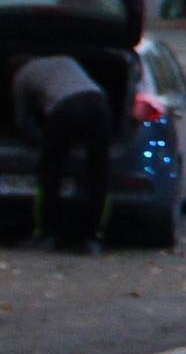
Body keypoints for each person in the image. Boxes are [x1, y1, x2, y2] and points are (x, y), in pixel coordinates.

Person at [12, 53, 113, 253]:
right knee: (98, 172)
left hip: (65, 108)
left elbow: (23, 121)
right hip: (98, 103)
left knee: (50, 173)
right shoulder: (67, 60)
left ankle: (47, 234)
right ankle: (92, 237)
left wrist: (44, 142)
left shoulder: (21, 76)